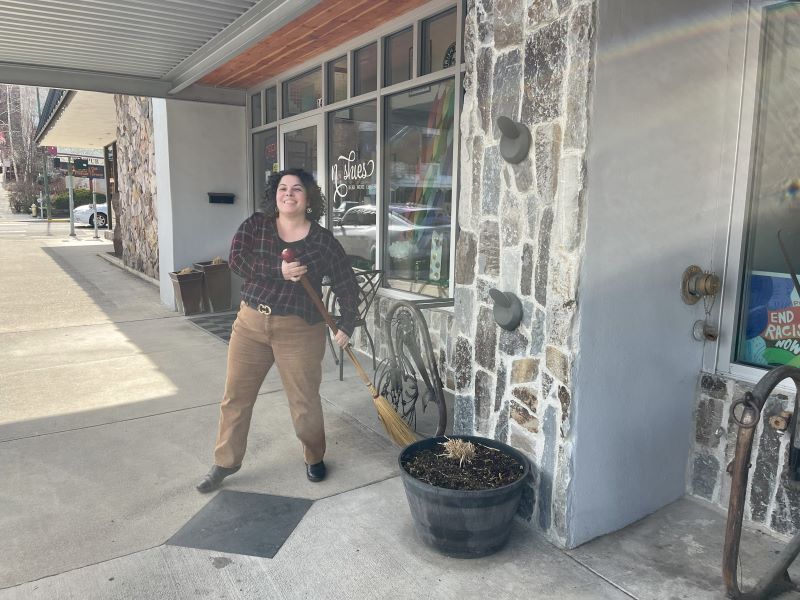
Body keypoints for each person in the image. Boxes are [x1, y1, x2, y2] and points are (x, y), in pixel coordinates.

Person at [196, 168, 360, 492]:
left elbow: (346, 282)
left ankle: (314, 456)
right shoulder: (256, 226)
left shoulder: (323, 241)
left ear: (309, 197)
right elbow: (236, 261)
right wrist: (278, 270)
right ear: (275, 194)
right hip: (251, 325)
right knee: (235, 397)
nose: (288, 194)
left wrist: (347, 321)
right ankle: (225, 462)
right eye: (283, 188)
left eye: (297, 189)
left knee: (304, 402)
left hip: (299, 330)